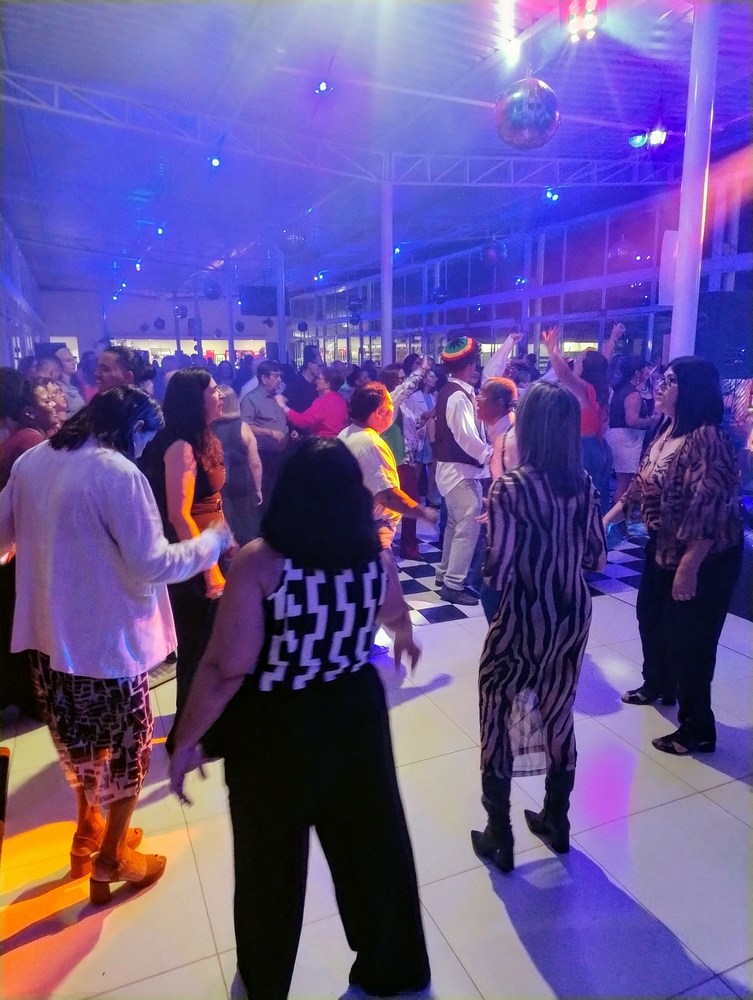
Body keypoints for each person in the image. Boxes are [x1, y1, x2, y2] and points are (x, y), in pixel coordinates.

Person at [168, 439, 431, 1000]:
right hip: (354, 713)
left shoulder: (261, 562)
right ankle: (394, 966)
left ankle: (264, 982)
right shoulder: (372, 553)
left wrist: (185, 739)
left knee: (269, 865)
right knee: (373, 848)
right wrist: (405, 639)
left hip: (277, 723)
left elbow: (226, 667)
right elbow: (394, 611)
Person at [0, 387, 231, 901]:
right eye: (145, 437)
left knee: (79, 743)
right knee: (129, 745)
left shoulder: (35, 460)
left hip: (47, 636)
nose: (144, 448)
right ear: (131, 427)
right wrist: (211, 543)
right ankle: (112, 859)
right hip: (107, 642)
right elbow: (153, 563)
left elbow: (1, 540)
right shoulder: (115, 472)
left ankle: (89, 832)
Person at [472, 381, 606, 872]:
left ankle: (499, 833)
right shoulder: (583, 483)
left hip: (524, 614)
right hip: (571, 612)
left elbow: (497, 572)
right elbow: (597, 557)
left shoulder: (510, 488)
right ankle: (557, 819)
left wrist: (494, 535)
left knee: (497, 710)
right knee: (558, 708)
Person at [603, 357, 743, 755]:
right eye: (661, 379)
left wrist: (689, 566)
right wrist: (607, 519)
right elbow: (641, 484)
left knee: (691, 640)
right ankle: (659, 683)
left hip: (704, 556)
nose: (660, 387)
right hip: (664, 545)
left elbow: (710, 508)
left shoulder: (708, 438)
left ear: (692, 390)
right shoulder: (665, 429)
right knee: (650, 616)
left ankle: (698, 728)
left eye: (670, 381)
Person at [139, 369, 228, 717]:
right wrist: (209, 570)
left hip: (208, 548)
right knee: (198, 647)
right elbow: (179, 515)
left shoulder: (200, 437)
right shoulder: (181, 446)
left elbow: (210, 501)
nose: (221, 396)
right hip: (192, 560)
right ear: (195, 400)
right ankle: (190, 727)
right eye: (214, 391)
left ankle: (205, 721)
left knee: (211, 645)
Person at [434, 336, 492, 605]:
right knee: (468, 525)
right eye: (475, 363)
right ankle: (453, 583)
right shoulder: (457, 396)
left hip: (453, 470)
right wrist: (489, 454)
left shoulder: (454, 391)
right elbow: (466, 437)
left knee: (455, 524)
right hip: (459, 471)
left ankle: (445, 573)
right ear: (469, 365)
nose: (476, 368)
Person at [541, 326, 613, 514]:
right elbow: (605, 359)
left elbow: (563, 374)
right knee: (595, 497)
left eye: (579, 360)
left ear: (586, 367)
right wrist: (613, 338)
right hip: (597, 446)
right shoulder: (599, 387)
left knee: (581, 500)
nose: (575, 363)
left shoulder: (584, 388)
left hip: (583, 448)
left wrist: (551, 349)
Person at [213, 385, 263, 546]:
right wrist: (258, 489)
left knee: (224, 523)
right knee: (247, 524)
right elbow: (255, 463)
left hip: (217, 484)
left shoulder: (207, 428)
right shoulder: (243, 428)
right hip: (240, 481)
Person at [606, 356, 660, 502]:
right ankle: (618, 514)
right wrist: (652, 420)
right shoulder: (633, 393)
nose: (647, 372)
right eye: (645, 369)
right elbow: (632, 420)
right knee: (625, 483)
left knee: (624, 482)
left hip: (620, 437)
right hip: (627, 439)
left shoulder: (620, 389)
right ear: (637, 372)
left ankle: (619, 513)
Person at [240, 360, 289, 510]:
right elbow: (245, 427)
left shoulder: (277, 397)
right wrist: (270, 432)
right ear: (264, 378)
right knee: (267, 496)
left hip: (282, 453)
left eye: (280, 376)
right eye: (276, 376)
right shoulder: (251, 399)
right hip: (264, 455)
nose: (279, 380)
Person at [276, 365, 348, 438]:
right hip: (337, 441)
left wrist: (283, 407)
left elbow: (303, 420)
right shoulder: (341, 400)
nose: (316, 381)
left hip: (324, 441)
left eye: (319, 378)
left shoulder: (323, 402)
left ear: (327, 385)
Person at [283, 343, 322, 414]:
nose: (321, 369)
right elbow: (283, 400)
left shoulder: (316, 384)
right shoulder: (295, 383)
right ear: (310, 364)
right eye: (319, 366)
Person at [54, 346, 86, 413]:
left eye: (73, 359)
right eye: (68, 360)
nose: (73, 363)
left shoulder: (77, 383)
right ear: (59, 364)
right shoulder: (58, 388)